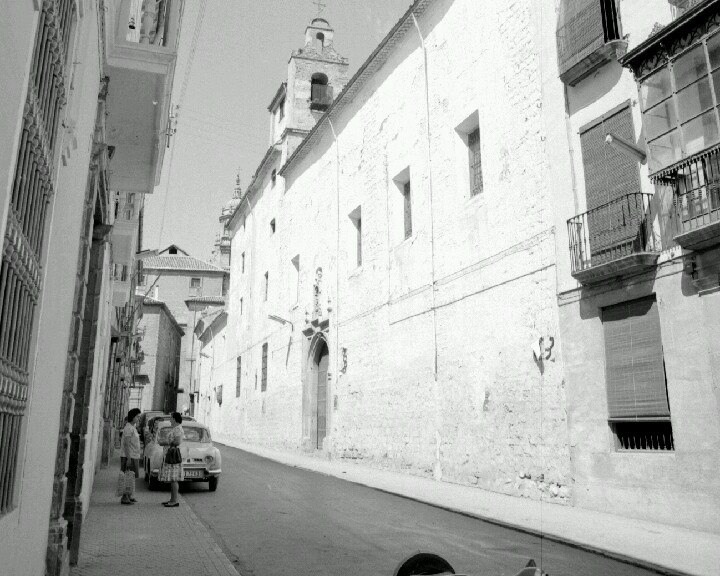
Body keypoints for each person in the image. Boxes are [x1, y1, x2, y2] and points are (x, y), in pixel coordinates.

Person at [159, 412, 184, 507]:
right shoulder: (176, 429)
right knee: (172, 478)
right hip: (170, 454)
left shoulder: (178, 429)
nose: (170, 420)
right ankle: (172, 499)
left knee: (174, 479)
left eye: (171, 418)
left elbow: (177, 441)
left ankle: (174, 501)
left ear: (174, 419)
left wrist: (165, 442)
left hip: (173, 456)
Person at [120, 408, 142, 505]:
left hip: (134, 456)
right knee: (127, 476)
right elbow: (126, 444)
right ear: (133, 417)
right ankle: (125, 497)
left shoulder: (133, 427)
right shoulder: (128, 428)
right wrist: (128, 458)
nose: (139, 418)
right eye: (137, 416)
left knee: (131, 477)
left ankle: (129, 496)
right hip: (129, 456)